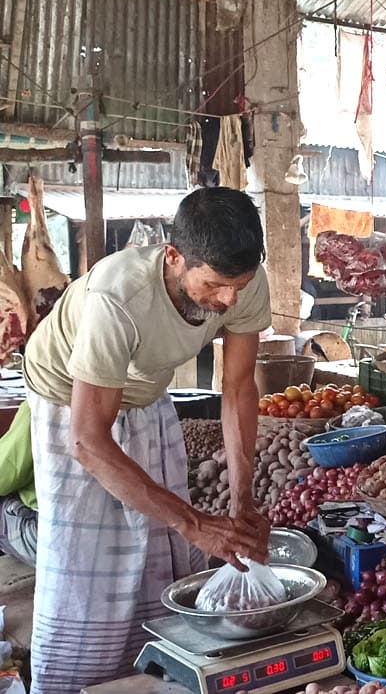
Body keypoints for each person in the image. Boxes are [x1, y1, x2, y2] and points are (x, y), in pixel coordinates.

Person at [22, 187, 272, 693]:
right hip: (69, 400)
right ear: (174, 257)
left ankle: (154, 676)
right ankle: (78, 681)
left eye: (240, 286)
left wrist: (242, 500)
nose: (229, 300)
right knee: (89, 560)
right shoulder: (119, 296)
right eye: (217, 285)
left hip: (145, 391)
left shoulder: (244, 282)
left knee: (157, 545)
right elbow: (88, 442)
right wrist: (196, 522)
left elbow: (239, 387)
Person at [0, 401, 36, 567]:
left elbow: (3, 477)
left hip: (48, 539)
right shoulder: (124, 403)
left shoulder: (39, 404)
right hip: (119, 534)